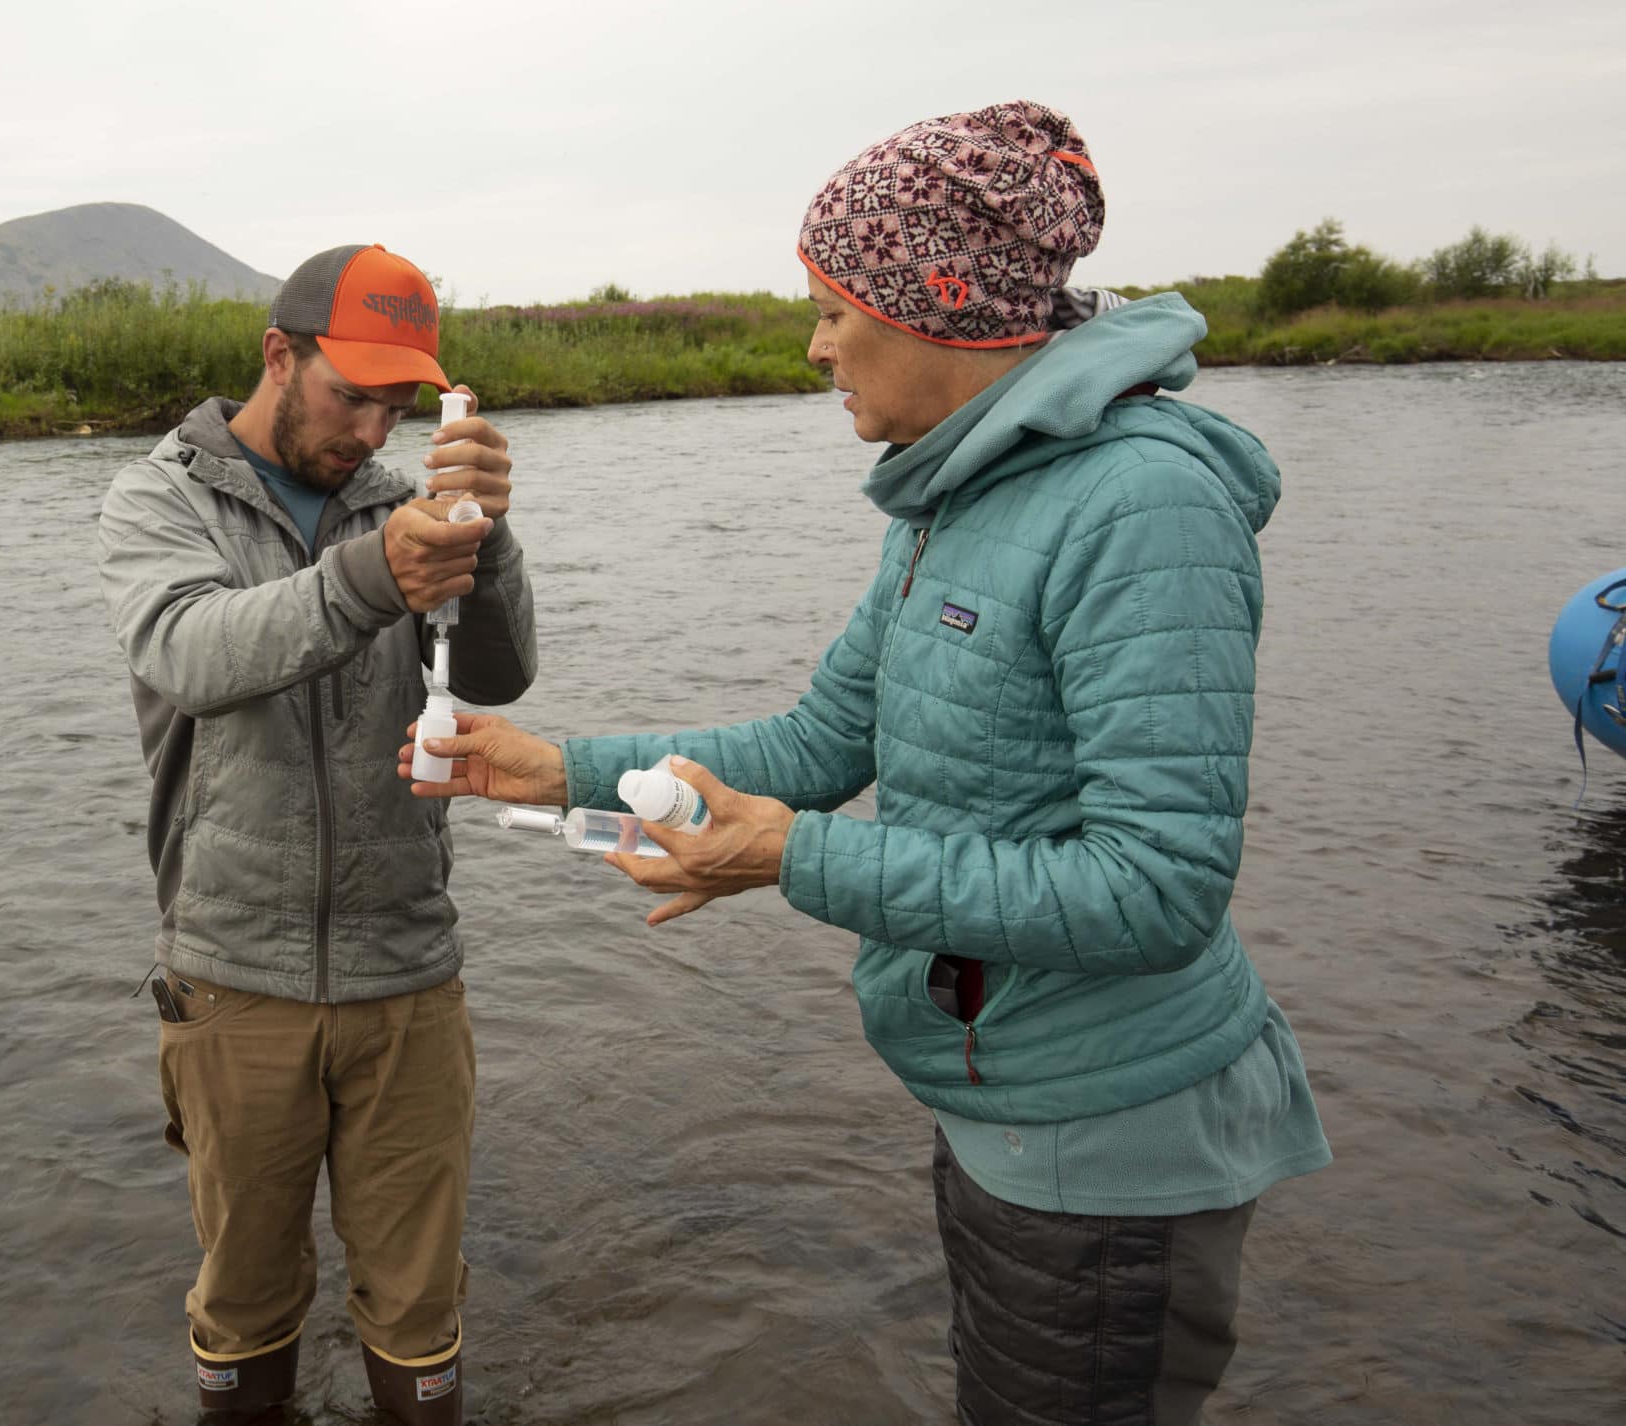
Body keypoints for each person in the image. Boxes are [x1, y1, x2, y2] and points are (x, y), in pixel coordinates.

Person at [406, 102, 1330, 1425]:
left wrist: (793, 855)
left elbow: (1155, 889)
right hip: (998, 1105)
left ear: (944, 309)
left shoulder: (1142, 504)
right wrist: (559, 769)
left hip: (1109, 1148)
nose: (815, 343)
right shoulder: (951, 492)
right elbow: (821, 742)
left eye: (837, 307)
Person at [98, 243, 537, 1425]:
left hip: (408, 970)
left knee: (418, 1305)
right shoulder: (160, 496)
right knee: (243, 1299)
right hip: (234, 978)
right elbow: (194, 654)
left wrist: (484, 542)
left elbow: (501, 670)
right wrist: (370, 577)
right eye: (353, 393)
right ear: (278, 356)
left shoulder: (410, 497)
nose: (374, 428)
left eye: (398, 401)